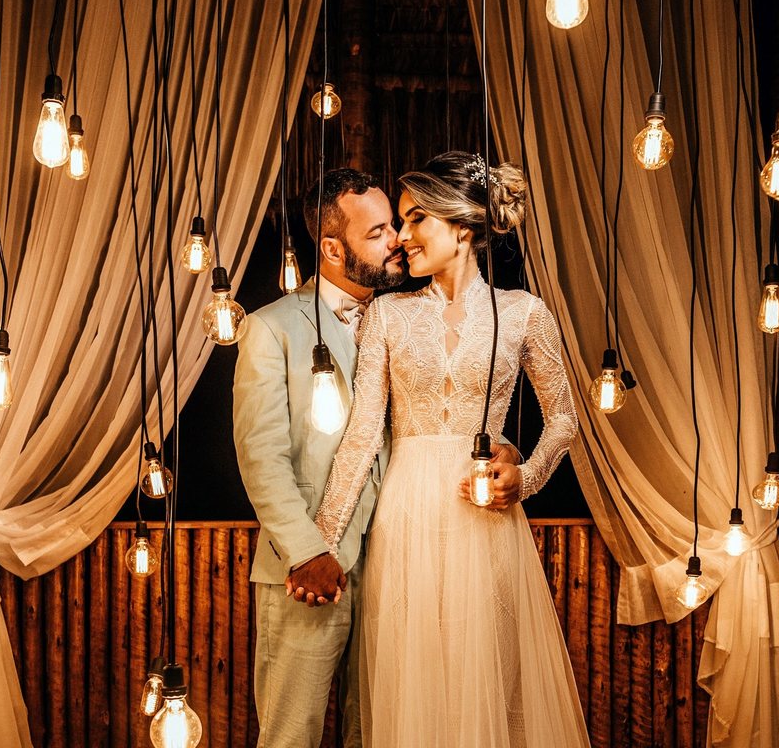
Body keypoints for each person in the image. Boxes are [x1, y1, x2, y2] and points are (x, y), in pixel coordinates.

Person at [234, 167, 525, 747]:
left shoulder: (411, 317)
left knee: (383, 732)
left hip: (400, 564)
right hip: (310, 570)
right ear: (333, 248)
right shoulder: (273, 330)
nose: (397, 239)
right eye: (378, 232)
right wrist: (309, 551)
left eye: (397, 224)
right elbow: (261, 459)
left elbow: (445, 416)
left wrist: (508, 450)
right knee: (292, 735)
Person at [311, 152, 591, 746]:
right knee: (413, 678)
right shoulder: (387, 314)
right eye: (400, 222)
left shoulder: (523, 313)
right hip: (406, 517)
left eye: (417, 220)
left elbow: (565, 416)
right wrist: (322, 542)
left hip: (486, 520)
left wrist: (530, 475)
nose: (402, 238)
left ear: (462, 228)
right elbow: (363, 431)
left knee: (483, 674)